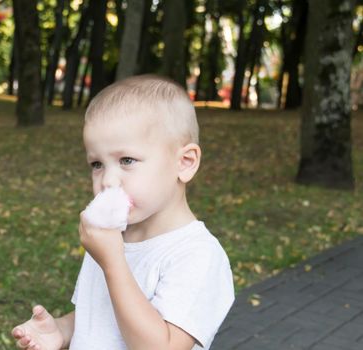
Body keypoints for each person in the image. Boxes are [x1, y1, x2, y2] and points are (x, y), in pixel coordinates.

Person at [12, 75, 235, 350]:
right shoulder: (111, 239)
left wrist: (113, 263)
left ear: (185, 163)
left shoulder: (197, 256)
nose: (107, 180)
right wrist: (61, 329)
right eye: (97, 164)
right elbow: (101, 318)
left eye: (126, 160)